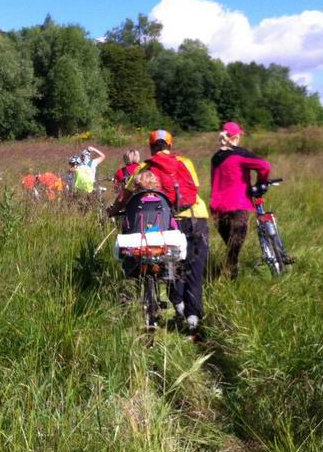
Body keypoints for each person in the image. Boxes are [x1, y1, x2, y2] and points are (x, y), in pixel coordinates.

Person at [108, 130, 210, 340]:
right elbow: (195, 187)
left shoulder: (146, 167)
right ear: (170, 146)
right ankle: (193, 320)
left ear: (151, 147)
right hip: (197, 217)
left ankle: (179, 305)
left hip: (172, 222)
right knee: (194, 271)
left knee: (173, 268)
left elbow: (124, 197)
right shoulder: (185, 162)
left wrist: (112, 210)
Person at [210, 122, 271, 279]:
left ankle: (228, 276)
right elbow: (264, 166)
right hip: (238, 205)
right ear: (236, 137)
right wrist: (261, 182)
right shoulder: (240, 154)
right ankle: (231, 279)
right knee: (233, 252)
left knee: (231, 247)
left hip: (217, 209)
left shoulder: (215, 157)